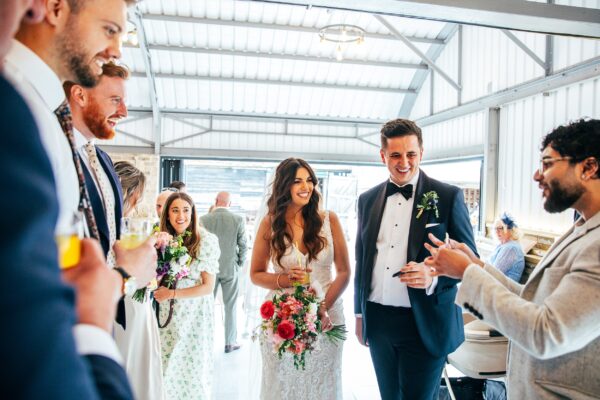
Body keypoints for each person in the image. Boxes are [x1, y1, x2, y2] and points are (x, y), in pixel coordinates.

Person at [0, 0, 157, 398]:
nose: (118, 48)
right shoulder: (16, 108)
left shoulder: (48, 115)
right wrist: (119, 279)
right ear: (52, 8)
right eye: (108, 29)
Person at [425, 119, 600, 399]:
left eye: (547, 163)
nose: (536, 175)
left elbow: (547, 333)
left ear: (589, 167)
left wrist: (469, 274)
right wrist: (477, 266)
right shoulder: (580, 228)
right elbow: (531, 299)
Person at [354, 118, 477, 400]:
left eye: (411, 154)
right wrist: (360, 314)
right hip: (380, 319)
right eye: (395, 155)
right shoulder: (366, 200)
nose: (404, 162)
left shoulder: (447, 196)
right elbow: (363, 260)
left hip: (425, 321)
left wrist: (432, 275)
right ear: (383, 156)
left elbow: (470, 262)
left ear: (421, 152)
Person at [250, 158, 351, 400]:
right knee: (283, 386)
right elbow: (255, 274)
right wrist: (283, 280)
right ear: (285, 186)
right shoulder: (270, 223)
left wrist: (322, 306)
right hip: (282, 319)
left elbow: (345, 272)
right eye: (297, 181)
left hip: (328, 318)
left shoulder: (330, 220)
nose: (306, 186)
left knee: (323, 386)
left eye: (309, 180)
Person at [153, 192, 220, 400]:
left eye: (185, 210)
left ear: (193, 213)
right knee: (164, 368)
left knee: (191, 371)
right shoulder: (160, 238)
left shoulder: (206, 240)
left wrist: (172, 293)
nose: (180, 216)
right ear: (167, 214)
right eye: (175, 210)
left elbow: (208, 287)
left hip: (194, 316)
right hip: (166, 314)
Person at [200, 191, 248, 353]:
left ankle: (205, 341)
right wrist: (239, 263)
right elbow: (243, 245)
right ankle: (230, 342)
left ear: (216, 201)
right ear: (230, 204)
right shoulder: (238, 220)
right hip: (230, 268)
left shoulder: (203, 220)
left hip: (208, 270)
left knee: (206, 306)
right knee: (231, 306)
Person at [489, 213, 525, 282]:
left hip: (502, 289)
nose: (497, 231)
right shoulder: (502, 245)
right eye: (495, 228)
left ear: (510, 230)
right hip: (496, 285)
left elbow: (494, 273)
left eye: (501, 228)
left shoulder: (511, 248)